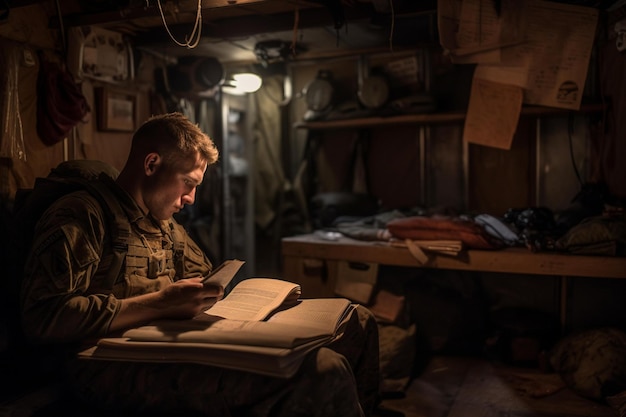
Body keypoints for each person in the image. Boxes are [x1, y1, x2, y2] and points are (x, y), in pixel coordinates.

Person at [19, 112, 380, 417]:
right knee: (322, 371)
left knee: (358, 322)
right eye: (188, 184)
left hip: (168, 345)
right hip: (99, 364)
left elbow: (205, 278)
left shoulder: (164, 224)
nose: (191, 199)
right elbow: (44, 315)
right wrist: (159, 304)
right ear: (151, 164)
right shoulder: (84, 214)